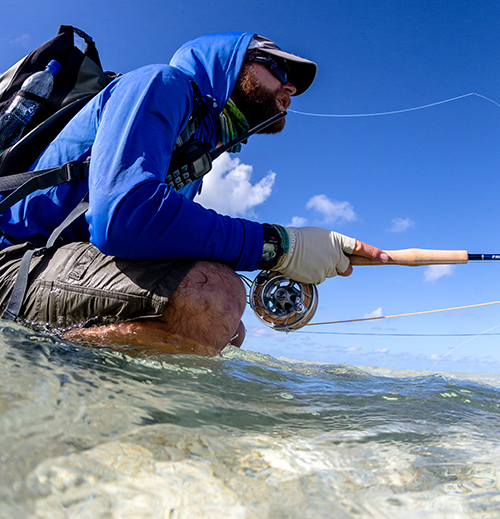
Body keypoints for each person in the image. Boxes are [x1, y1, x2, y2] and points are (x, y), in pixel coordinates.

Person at [0, 32, 388, 354]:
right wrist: (279, 247)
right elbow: (124, 217)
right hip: (16, 258)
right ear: (231, 64)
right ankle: (38, 367)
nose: (289, 87)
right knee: (214, 298)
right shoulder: (160, 84)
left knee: (217, 313)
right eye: (276, 68)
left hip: (61, 262)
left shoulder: (200, 156)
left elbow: (161, 241)